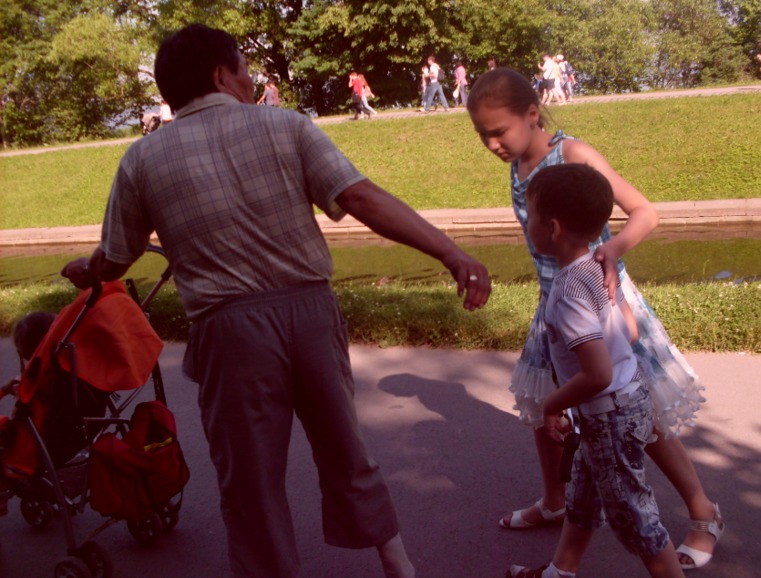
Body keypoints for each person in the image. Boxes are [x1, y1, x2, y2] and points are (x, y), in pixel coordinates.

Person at [60, 24, 491, 578]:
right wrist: (451, 253)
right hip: (311, 313)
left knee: (251, 480)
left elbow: (115, 258)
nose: (250, 78)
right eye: (245, 68)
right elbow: (360, 197)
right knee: (345, 448)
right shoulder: (286, 125)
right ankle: (397, 564)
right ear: (221, 74)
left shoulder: (141, 160)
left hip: (228, 331)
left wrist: (87, 270)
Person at [466, 68, 723, 572]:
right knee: (547, 411)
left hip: (602, 300)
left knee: (641, 417)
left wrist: (613, 249)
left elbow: (644, 212)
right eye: (482, 135)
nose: (492, 144)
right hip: (556, 304)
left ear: (532, 114)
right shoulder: (517, 165)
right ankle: (555, 502)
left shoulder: (573, 154)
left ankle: (703, 511)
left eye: (499, 131)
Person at [507, 162, 683, 578]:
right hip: (629, 400)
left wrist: (553, 404)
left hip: (609, 415)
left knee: (635, 516)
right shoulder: (600, 267)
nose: (527, 225)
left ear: (553, 228)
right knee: (584, 495)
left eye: (531, 217)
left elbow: (598, 374)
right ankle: (560, 571)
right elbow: (630, 331)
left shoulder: (566, 291)